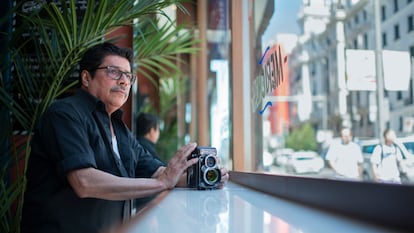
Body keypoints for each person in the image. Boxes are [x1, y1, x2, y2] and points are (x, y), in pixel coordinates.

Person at [21, 42, 229, 233]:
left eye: (129, 76)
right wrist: (163, 182)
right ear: (86, 78)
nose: (123, 81)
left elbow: (157, 172)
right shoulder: (65, 114)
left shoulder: (120, 129)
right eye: (113, 72)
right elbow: (84, 182)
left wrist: (201, 178)